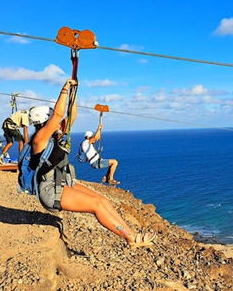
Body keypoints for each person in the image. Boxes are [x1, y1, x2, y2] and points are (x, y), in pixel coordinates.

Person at [28, 79, 155, 247]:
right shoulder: (39, 140)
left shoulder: (55, 136)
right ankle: (131, 238)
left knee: (103, 200)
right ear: (44, 122)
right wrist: (64, 89)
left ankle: (132, 233)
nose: (58, 122)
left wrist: (74, 92)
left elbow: (71, 117)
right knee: (96, 205)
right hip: (50, 191)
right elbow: (59, 115)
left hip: (63, 182)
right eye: (52, 119)